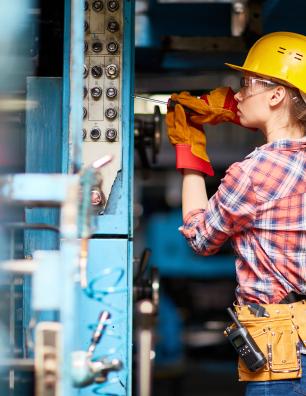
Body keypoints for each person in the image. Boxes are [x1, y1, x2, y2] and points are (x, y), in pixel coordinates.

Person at [166, 31, 306, 396]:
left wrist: (190, 149)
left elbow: (200, 237)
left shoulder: (256, 172)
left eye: (246, 85)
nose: (238, 95)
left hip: (283, 356)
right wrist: (237, 113)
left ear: (277, 95)